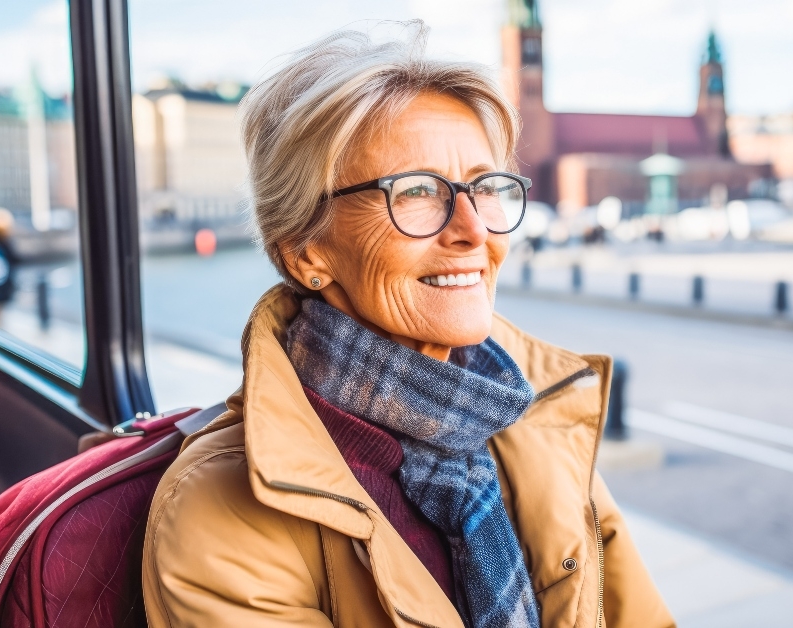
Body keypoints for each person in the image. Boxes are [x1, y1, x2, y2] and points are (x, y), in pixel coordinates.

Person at [142, 23, 674, 628]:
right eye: (417, 190)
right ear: (306, 251)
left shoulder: (530, 419)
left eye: (487, 185)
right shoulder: (221, 512)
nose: (475, 229)